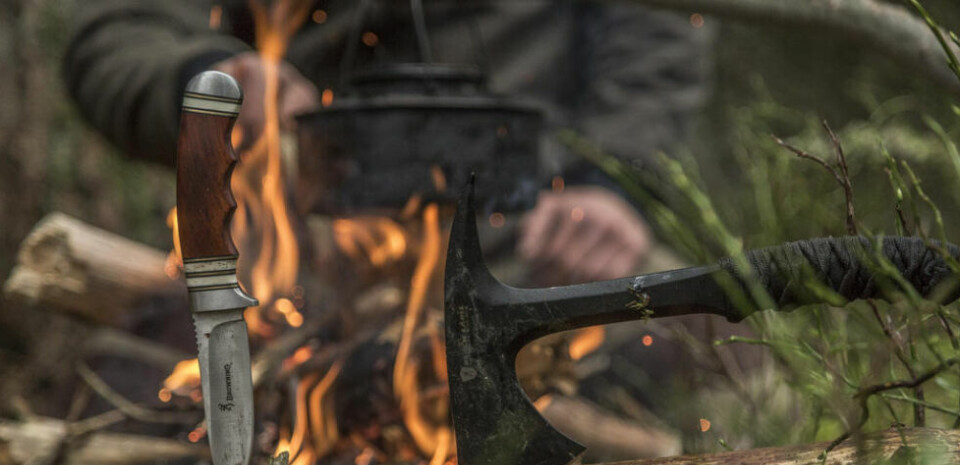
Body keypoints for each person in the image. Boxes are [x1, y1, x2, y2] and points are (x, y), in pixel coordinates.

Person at [63, 0, 710, 286]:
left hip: (540, 239)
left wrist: (612, 184)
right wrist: (211, 84)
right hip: (295, 256)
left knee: (709, 362)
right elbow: (118, 32)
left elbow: (656, 35)